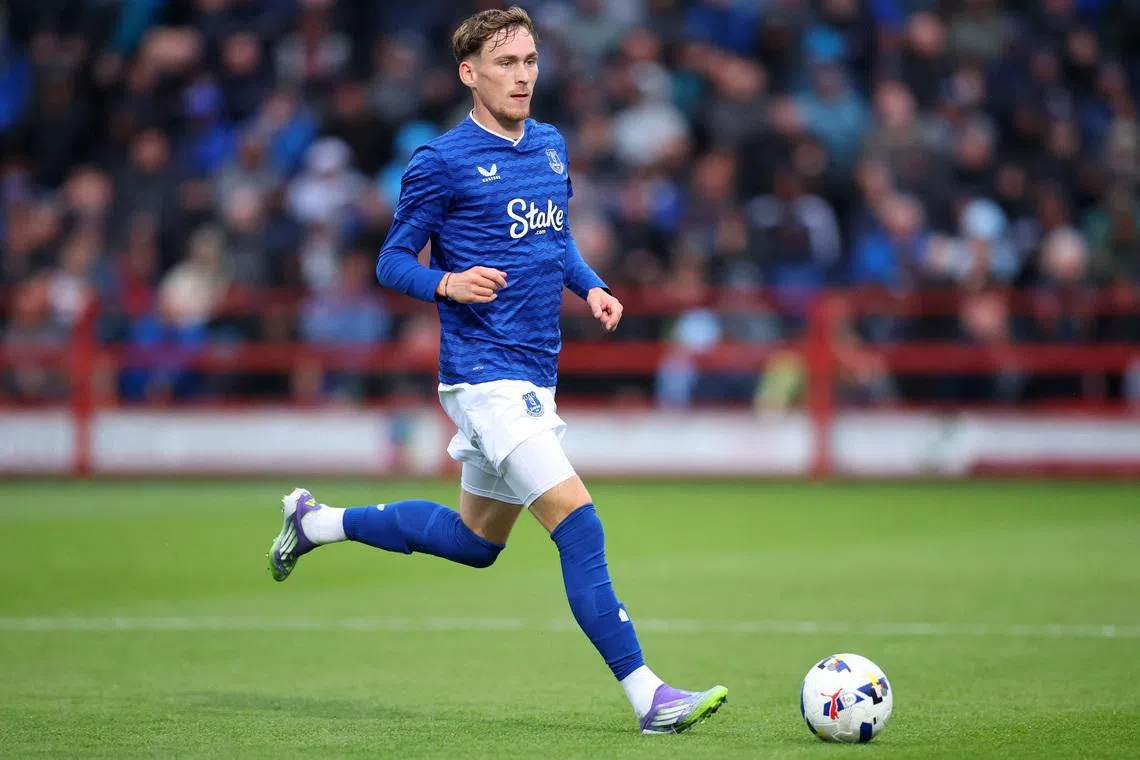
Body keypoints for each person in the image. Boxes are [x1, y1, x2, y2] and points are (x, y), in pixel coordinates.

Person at [266, 6, 727, 735]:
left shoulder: (548, 144)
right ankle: (650, 697)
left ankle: (315, 522)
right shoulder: (440, 161)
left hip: (533, 375)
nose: (522, 76)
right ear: (469, 73)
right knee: (580, 525)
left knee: (476, 544)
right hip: (484, 378)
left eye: (531, 61)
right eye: (507, 64)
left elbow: (556, 237)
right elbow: (391, 260)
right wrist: (444, 284)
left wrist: (594, 285)